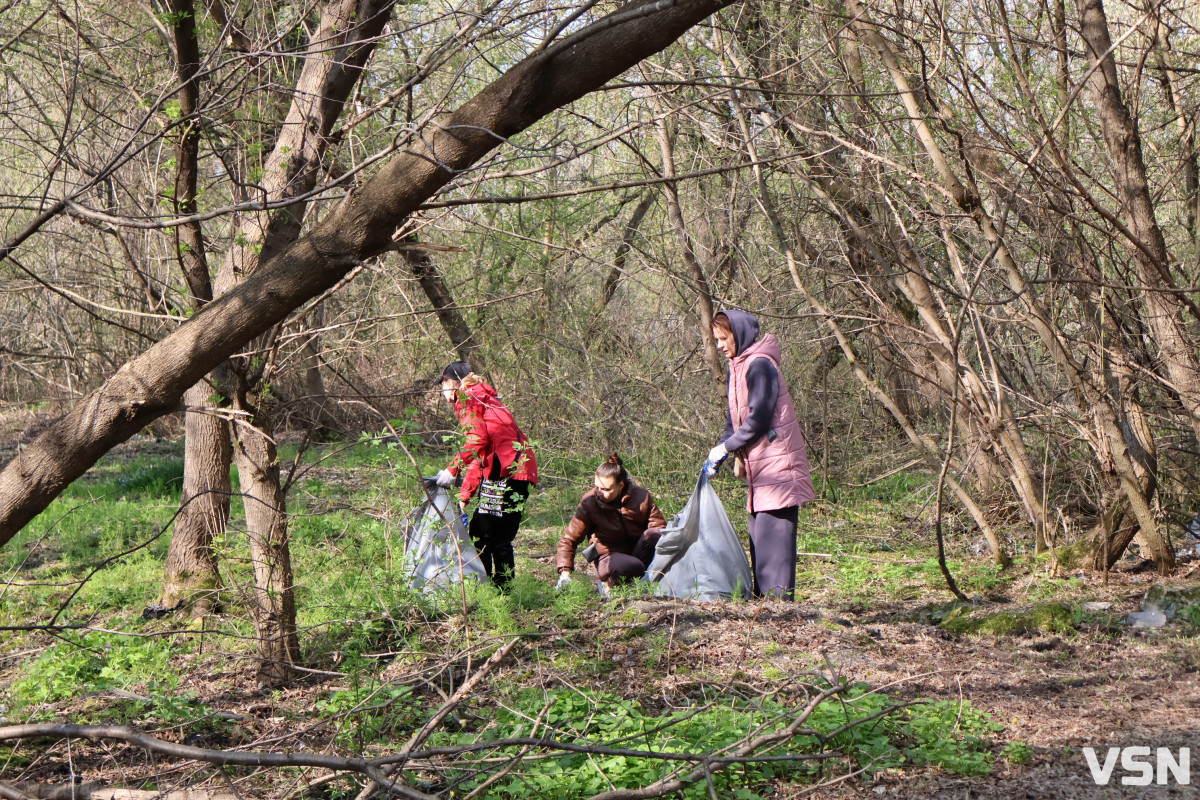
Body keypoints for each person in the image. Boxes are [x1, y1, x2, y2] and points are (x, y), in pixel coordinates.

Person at [705, 310, 814, 600]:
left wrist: (726, 448)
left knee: (774, 548)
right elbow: (735, 424)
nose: (719, 345)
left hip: (778, 470)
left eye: (723, 338)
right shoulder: (738, 367)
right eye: (715, 339)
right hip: (761, 474)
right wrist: (719, 452)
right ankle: (765, 612)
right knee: (759, 541)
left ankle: (778, 614)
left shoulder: (759, 365)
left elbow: (759, 418)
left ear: (738, 335)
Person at [435, 361, 537, 588]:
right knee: (482, 532)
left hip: (512, 474)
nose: (442, 391)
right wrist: (465, 496)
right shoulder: (482, 397)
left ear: (452, 382)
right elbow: (482, 453)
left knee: (497, 537)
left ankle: (502, 592)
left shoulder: (468, 397)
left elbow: (476, 440)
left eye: (442, 384)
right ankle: (487, 586)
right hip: (506, 473)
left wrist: (453, 469)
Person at [555, 455, 666, 592]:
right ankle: (609, 584)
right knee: (632, 566)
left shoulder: (641, 496)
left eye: (606, 489)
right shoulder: (589, 503)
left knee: (655, 534)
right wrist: (565, 573)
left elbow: (659, 528)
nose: (600, 492)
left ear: (620, 485)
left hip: (638, 552)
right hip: (608, 558)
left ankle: (644, 580)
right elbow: (569, 539)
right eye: (597, 487)